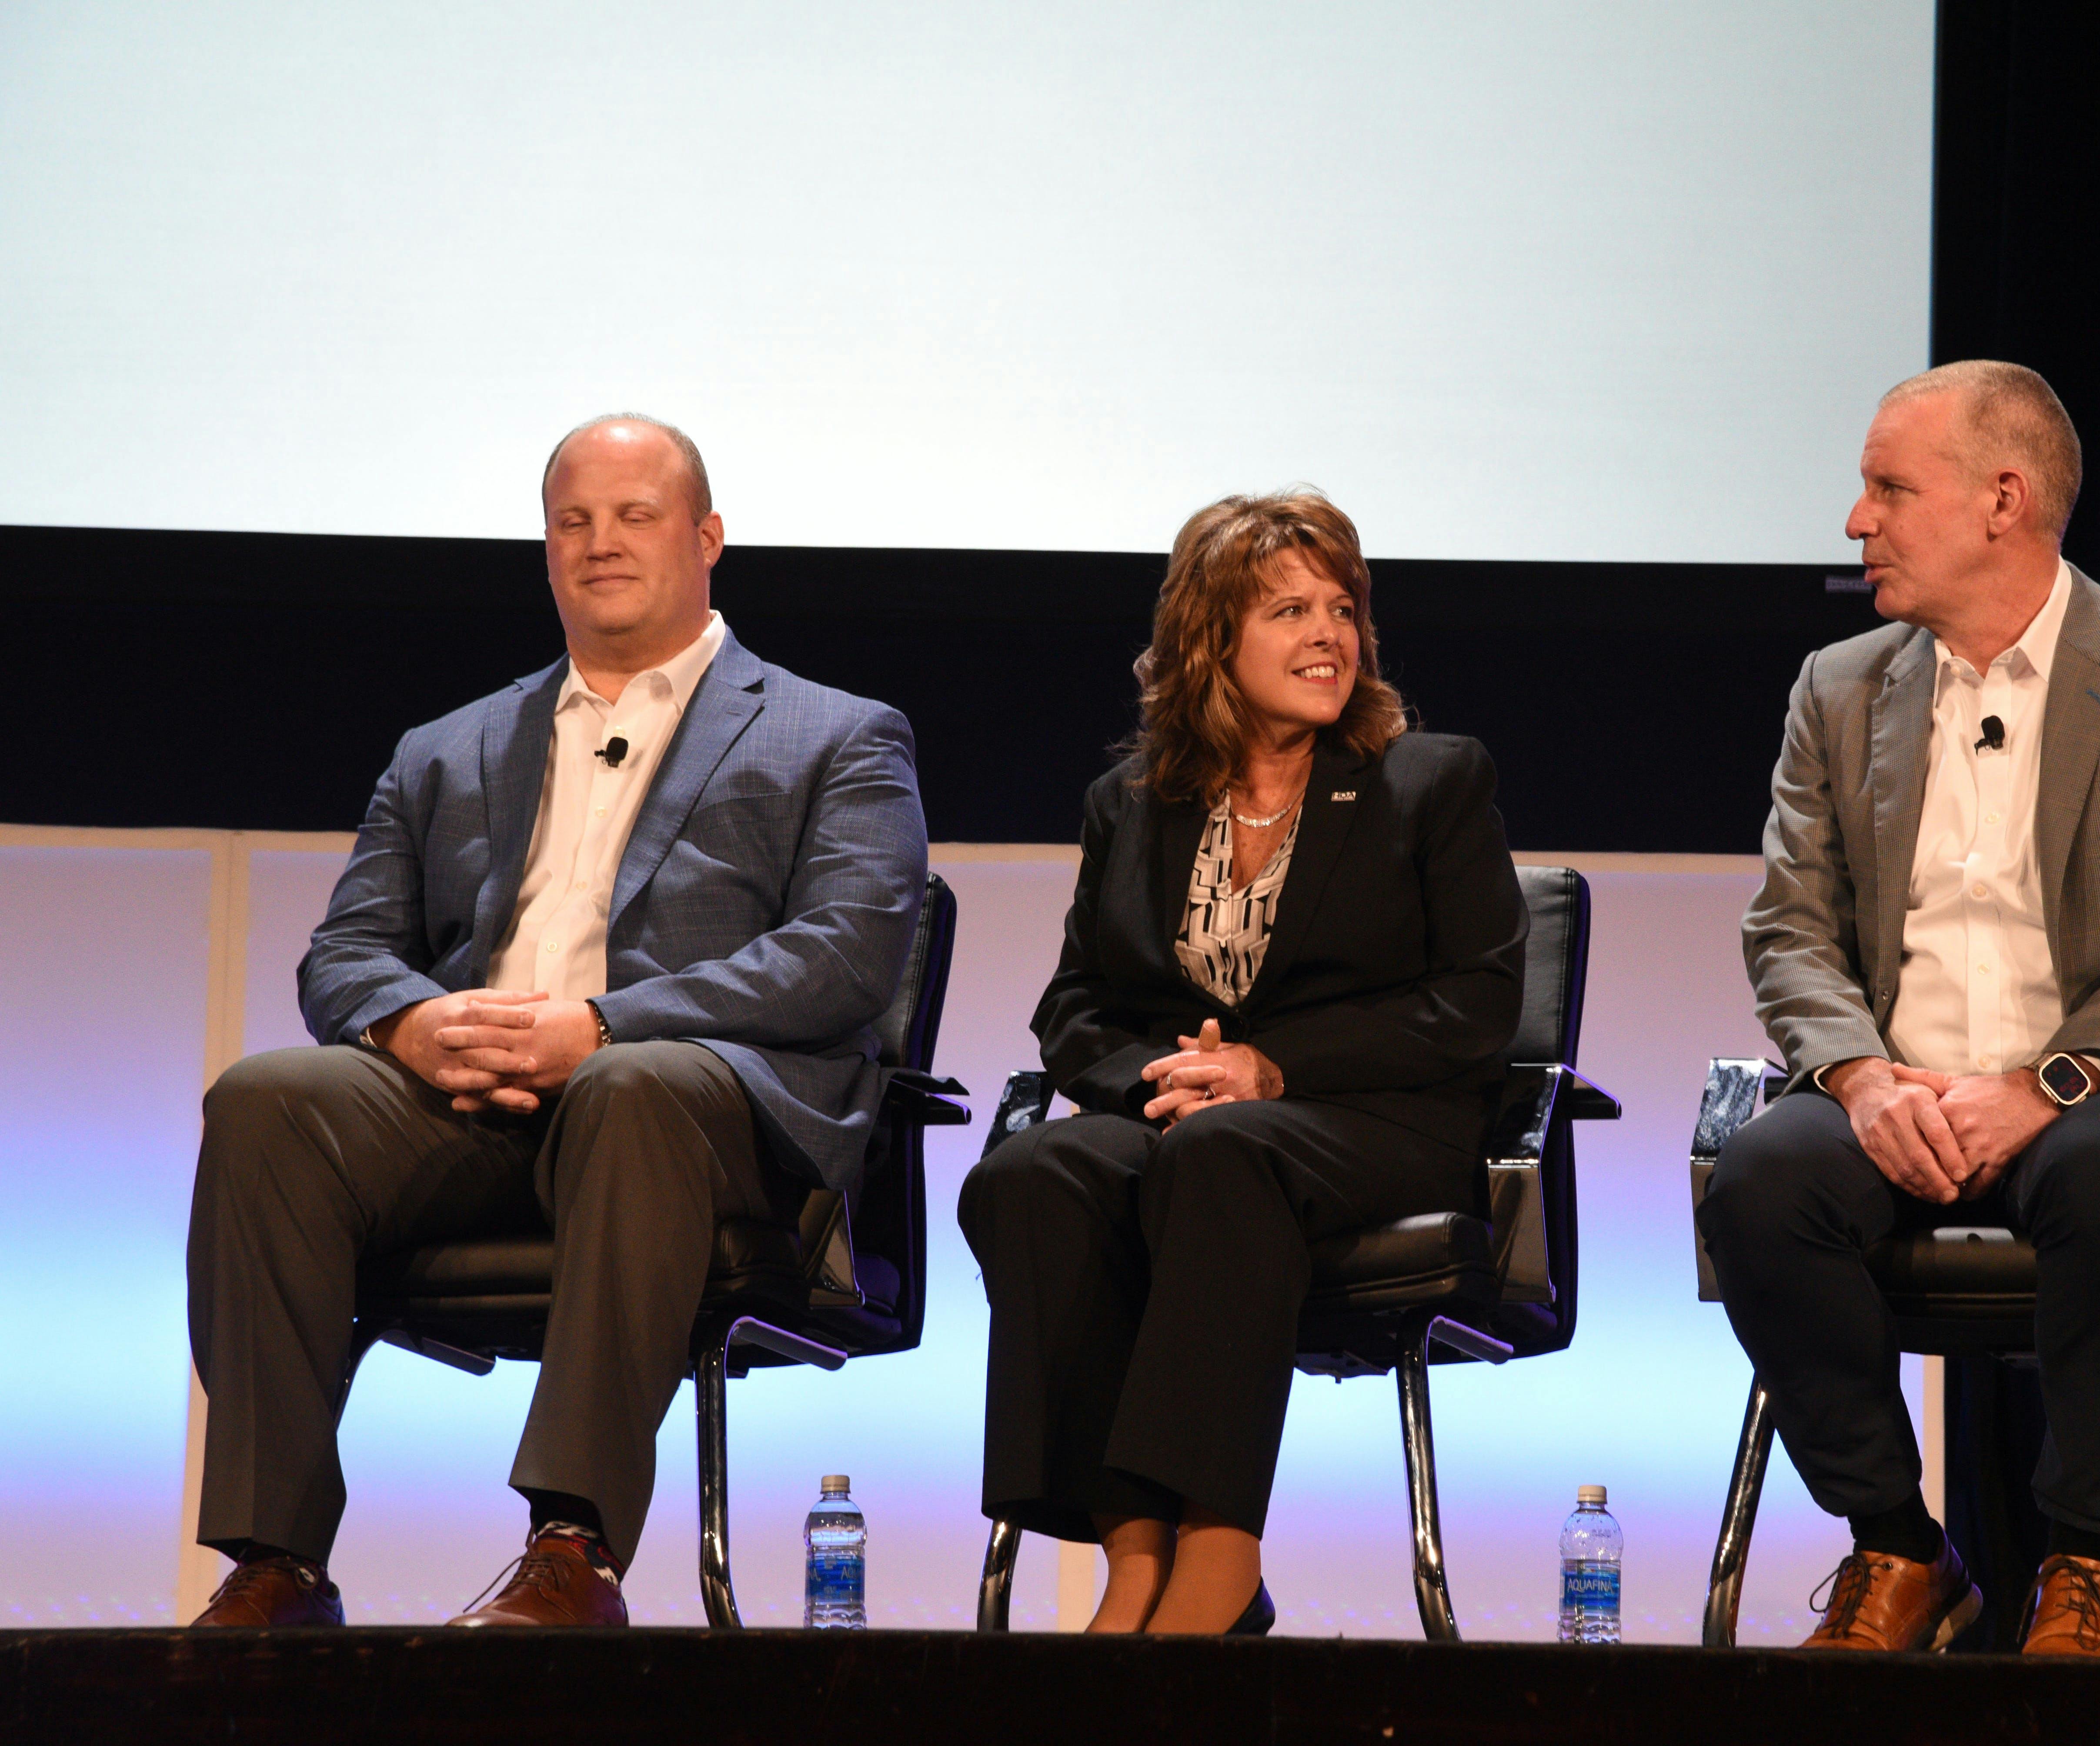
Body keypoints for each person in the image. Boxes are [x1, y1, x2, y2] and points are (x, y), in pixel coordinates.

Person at [185, 415, 928, 1627]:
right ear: (545, 553)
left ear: (707, 537)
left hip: (693, 1124)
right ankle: (277, 1562)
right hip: (471, 1109)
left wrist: (604, 1026)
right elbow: (347, 955)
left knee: (635, 1087)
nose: (601, 544)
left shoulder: (837, 733)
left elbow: (845, 959)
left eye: (635, 515)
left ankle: (570, 1551)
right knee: (268, 1099)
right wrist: (415, 1029)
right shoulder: (450, 746)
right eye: (573, 521)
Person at [1697, 362, 2100, 1658]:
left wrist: (2047, 1084)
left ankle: (2086, 1562)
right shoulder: (1841, 690)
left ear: (2005, 499)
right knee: (1760, 1183)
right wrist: (1860, 1079)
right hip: (1895, 1098)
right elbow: (1789, 928)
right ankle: (1900, 1552)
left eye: (1890, 489)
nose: (1858, 521)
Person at [957, 490, 1526, 1635]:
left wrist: (1270, 1069)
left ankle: (1220, 1553)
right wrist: (1158, 1081)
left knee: (1224, 1151)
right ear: (1211, 642)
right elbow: (1073, 1006)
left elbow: (1479, 1001)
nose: (1328, 634)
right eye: (1287, 610)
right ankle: (1131, 1556)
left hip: (1383, 1123)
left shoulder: (1429, 781)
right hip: (1199, 1123)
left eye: (1341, 608)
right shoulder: (1132, 803)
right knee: (1032, 1174)